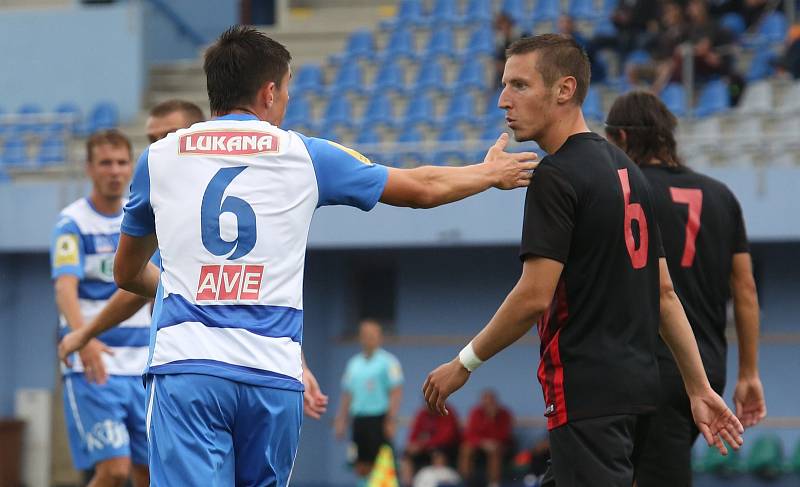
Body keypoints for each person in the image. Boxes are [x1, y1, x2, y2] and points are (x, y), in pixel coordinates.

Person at [111, 25, 537, 486]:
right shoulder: (304, 154)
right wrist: (488, 173)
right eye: (287, 88)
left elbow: (127, 271)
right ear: (270, 91)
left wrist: (186, 287)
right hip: (271, 373)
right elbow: (422, 188)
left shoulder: (158, 158)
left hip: (187, 370)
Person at [422, 34, 744, 487]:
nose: (502, 100)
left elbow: (534, 297)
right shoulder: (627, 169)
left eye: (518, 85)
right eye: (503, 85)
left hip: (586, 396)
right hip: (637, 391)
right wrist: (696, 386)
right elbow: (665, 292)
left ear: (564, 90)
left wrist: (463, 364)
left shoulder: (555, 176)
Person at [604, 91, 767, 487]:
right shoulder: (722, 196)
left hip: (647, 366)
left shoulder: (628, 192)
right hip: (707, 369)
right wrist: (749, 372)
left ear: (622, 138)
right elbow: (745, 289)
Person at [50, 130, 149, 487]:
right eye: (106, 163)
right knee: (114, 469)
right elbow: (64, 286)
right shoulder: (72, 223)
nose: (115, 171)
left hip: (142, 367)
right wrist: (84, 339)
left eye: (122, 162)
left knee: (150, 473)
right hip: (95, 367)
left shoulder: (139, 217)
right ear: (90, 168)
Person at [335, 320, 404, 478]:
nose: (369, 339)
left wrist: (390, 420)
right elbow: (347, 394)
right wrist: (341, 420)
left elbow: (396, 391)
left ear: (379, 337)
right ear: (360, 338)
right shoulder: (353, 364)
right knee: (360, 465)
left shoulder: (389, 362)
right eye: (365, 335)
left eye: (373, 335)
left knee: (383, 464)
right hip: (359, 419)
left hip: (379, 419)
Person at [459, 390, 513, 487]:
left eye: (491, 401)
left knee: (494, 451)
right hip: (479, 444)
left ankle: (493, 483)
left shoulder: (504, 414)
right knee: (466, 449)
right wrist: (481, 443)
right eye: (486, 402)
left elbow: (504, 435)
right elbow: (469, 433)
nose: (488, 404)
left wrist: (492, 420)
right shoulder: (476, 412)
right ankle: (466, 481)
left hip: (497, 445)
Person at [400, 402, 461, 486]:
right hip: (426, 448)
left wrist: (424, 443)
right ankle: (407, 484)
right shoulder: (422, 414)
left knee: (438, 452)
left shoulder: (447, 412)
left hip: (446, 448)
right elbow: (413, 436)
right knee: (407, 453)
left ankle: (439, 481)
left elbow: (445, 438)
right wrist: (414, 445)